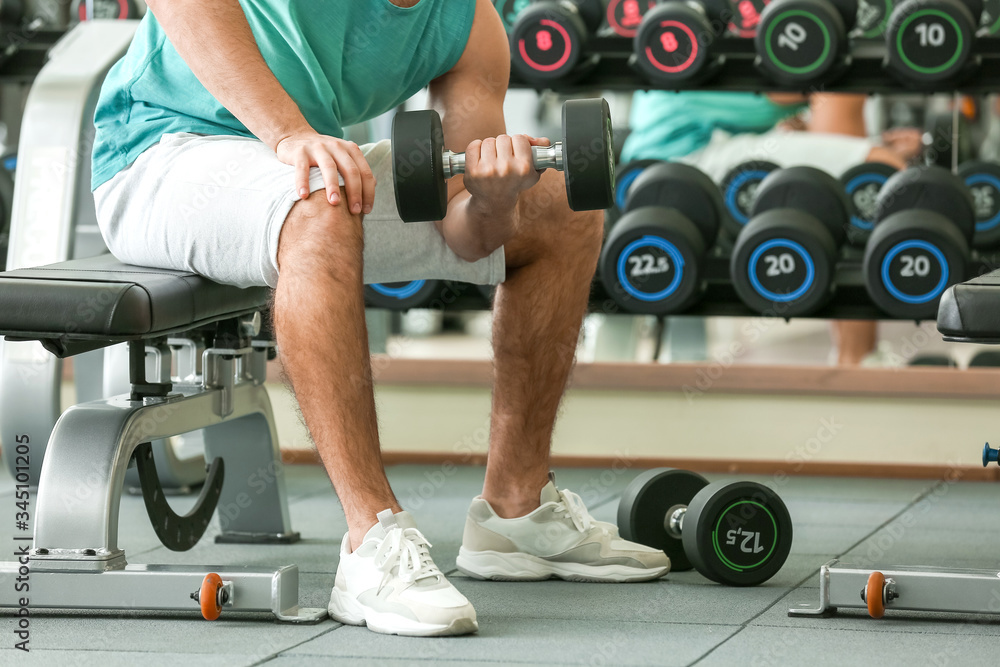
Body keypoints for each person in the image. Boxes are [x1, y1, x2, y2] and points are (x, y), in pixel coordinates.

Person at [90, 0, 669, 638]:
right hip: (162, 158)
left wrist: (495, 196)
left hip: (300, 163)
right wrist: (288, 134)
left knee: (558, 204)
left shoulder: (469, 25)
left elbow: (466, 234)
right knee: (320, 201)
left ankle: (516, 511)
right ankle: (371, 539)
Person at [621, 91, 920, 364]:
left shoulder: (683, 62)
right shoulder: (687, 55)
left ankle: (853, 356)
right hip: (682, 164)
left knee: (854, 156)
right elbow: (769, 104)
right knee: (880, 164)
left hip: (666, 160)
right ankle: (858, 358)